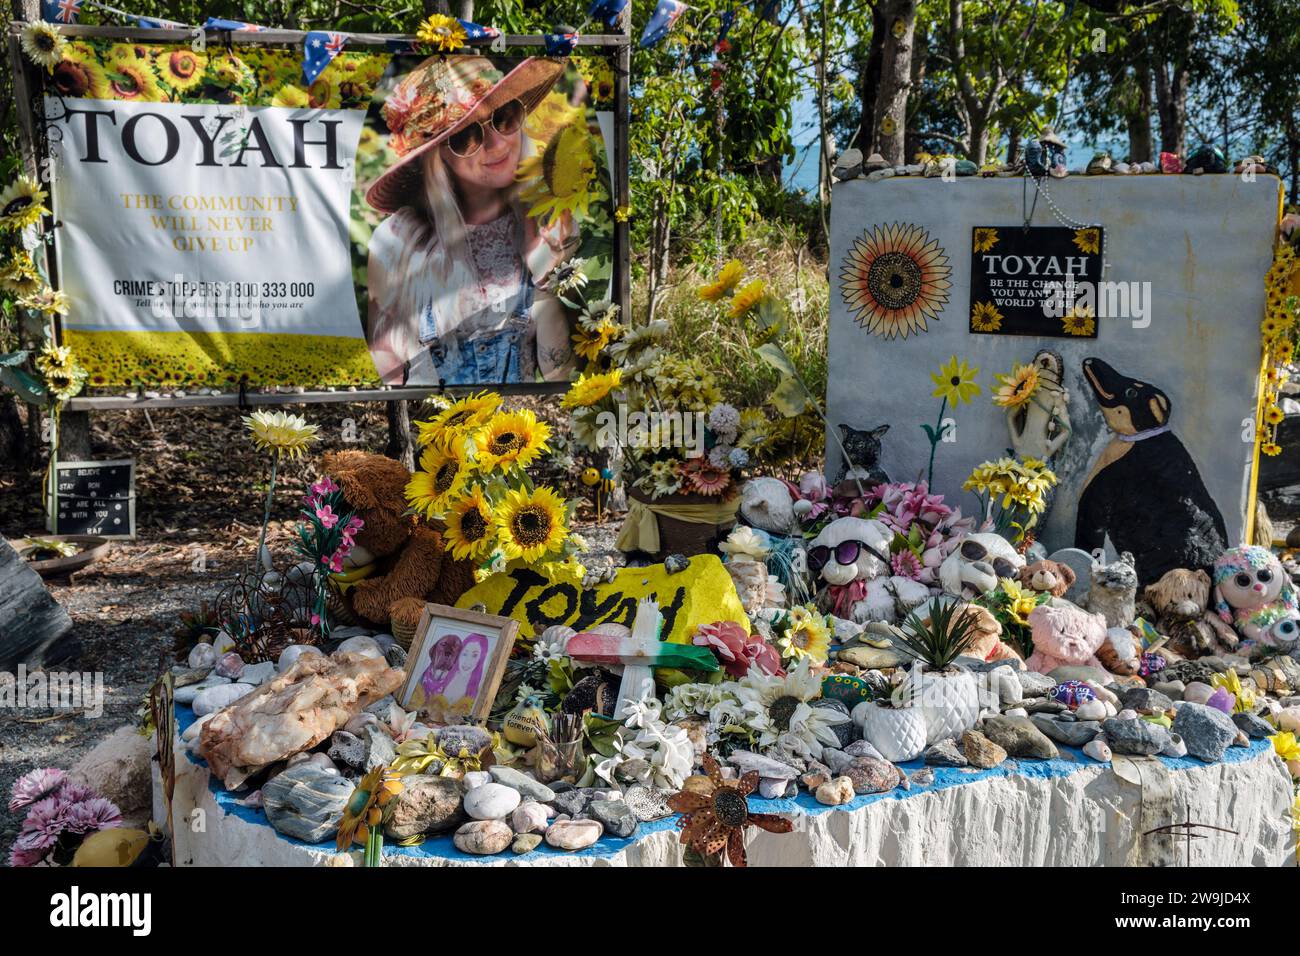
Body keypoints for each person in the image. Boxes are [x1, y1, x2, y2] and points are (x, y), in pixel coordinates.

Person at [365, 56, 577, 385]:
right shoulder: (398, 238)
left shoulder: (549, 218)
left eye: (504, 118)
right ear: (438, 157)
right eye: (466, 137)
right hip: (433, 429)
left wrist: (545, 276)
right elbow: (385, 358)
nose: (496, 144)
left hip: (518, 431)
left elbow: (560, 373)